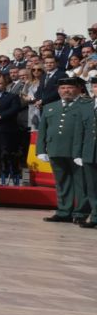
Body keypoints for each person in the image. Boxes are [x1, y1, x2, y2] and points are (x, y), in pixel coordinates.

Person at [40, 75, 93, 225]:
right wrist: (41, 150)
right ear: (58, 90)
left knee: (81, 182)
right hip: (55, 149)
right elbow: (43, 129)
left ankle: (81, 212)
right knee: (62, 182)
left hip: (78, 151)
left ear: (78, 89)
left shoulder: (87, 105)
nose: (66, 91)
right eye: (63, 88)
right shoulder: (50, 106)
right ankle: (64, 211)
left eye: (70, 88)